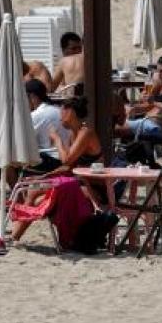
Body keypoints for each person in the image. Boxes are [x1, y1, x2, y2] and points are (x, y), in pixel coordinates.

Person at [8, 96, 104, 242]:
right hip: (79, 184)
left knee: (36, 194)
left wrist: (57, 140)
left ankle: (15, 235)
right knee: (33, 191)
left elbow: (66, 159)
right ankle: (15, 235)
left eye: (62, 113)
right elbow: (67, 166)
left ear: (70, 112)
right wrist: (42, 177)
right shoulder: (74, 134)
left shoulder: (86, 133)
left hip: (92, 189)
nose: (60, 117)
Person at [116, 53, 162, 142]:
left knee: (111, 128)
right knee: (113, 123)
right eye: (158, 71)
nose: (159, 74)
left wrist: (153, 101)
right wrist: (135, 108)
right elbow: (151, 106)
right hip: (146, 122)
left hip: (156, 128)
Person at [23, 79, 71, 175]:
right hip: (66, 156)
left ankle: (19, 189)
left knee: (9, 165)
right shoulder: (58, 110)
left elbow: (25, 141)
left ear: (33, 97)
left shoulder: (36, 115)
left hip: (52, 161)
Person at [49, 32, 84, 96]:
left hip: (75, 101)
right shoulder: (89, 58)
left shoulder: (63, 62)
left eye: (80, 48)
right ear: (63, 50)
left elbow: (51, 89)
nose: (78, 51)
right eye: (74, 49)